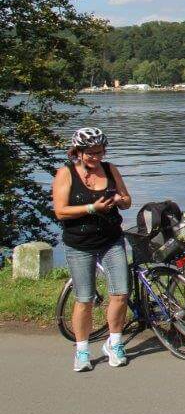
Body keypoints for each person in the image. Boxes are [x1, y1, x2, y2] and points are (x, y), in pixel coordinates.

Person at [52, 127, 133, 372]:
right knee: (84, 299)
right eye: (90, 153)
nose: (96, 157)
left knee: (120, 293)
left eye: (100, 152)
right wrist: (91, 208)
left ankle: (115, 343)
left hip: (111, 240)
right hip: (80, 244)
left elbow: (128, 200)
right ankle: (82, 350)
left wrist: (120, 200)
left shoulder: (110, 169)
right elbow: (60, 211)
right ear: (78, 152)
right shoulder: (66, 173)